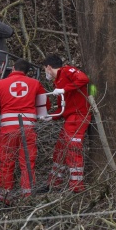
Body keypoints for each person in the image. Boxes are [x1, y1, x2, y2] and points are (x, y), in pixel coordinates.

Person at [0, 58, 50, 203]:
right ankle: (27, 196)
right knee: (28, 161)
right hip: (27, 128)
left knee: (6, 161)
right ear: (27, 72)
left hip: (8, 129)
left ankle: (5, 196)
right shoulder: (35, 83)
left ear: (13, 68)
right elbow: (44, 105)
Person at [43, 54, 91, 193]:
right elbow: (62, 107)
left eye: (45, 69)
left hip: (78, 115)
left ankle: (77, 185)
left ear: (49, 67)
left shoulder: (67, 71)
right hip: (70, 117)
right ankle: (54, 182)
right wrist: (50, 117)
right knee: (60, 148)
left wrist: (64, 89)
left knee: (73, 147)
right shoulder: (57, 82)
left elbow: (83, 79)